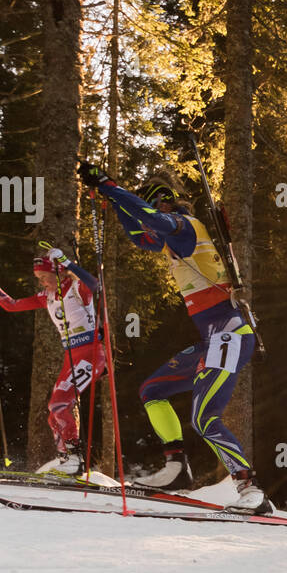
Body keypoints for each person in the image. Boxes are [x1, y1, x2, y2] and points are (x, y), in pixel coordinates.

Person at [77, 160, 268, 512]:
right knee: (153, 390)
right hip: (211, 340)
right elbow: (139, 234)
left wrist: (110, 187)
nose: (151, 213)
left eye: (153, 205)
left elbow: (150, 219)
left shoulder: (184, 227)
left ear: (164, 202)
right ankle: (176, 468)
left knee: (204, 417)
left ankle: (249, 489)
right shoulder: (170, 239)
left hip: (230, 335)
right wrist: (113, 199)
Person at [0, 248, 106, 474]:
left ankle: (75, 457)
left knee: (60, 404)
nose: (42, 282)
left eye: (44, 276)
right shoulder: (47, 297)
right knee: (53, 412)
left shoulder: (76, 288)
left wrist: (67, 262)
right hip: (71, 356)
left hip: (91, 353)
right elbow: (12, 305)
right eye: (38, 278)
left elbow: (94, 284)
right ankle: (66, 459)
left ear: (59, 273)